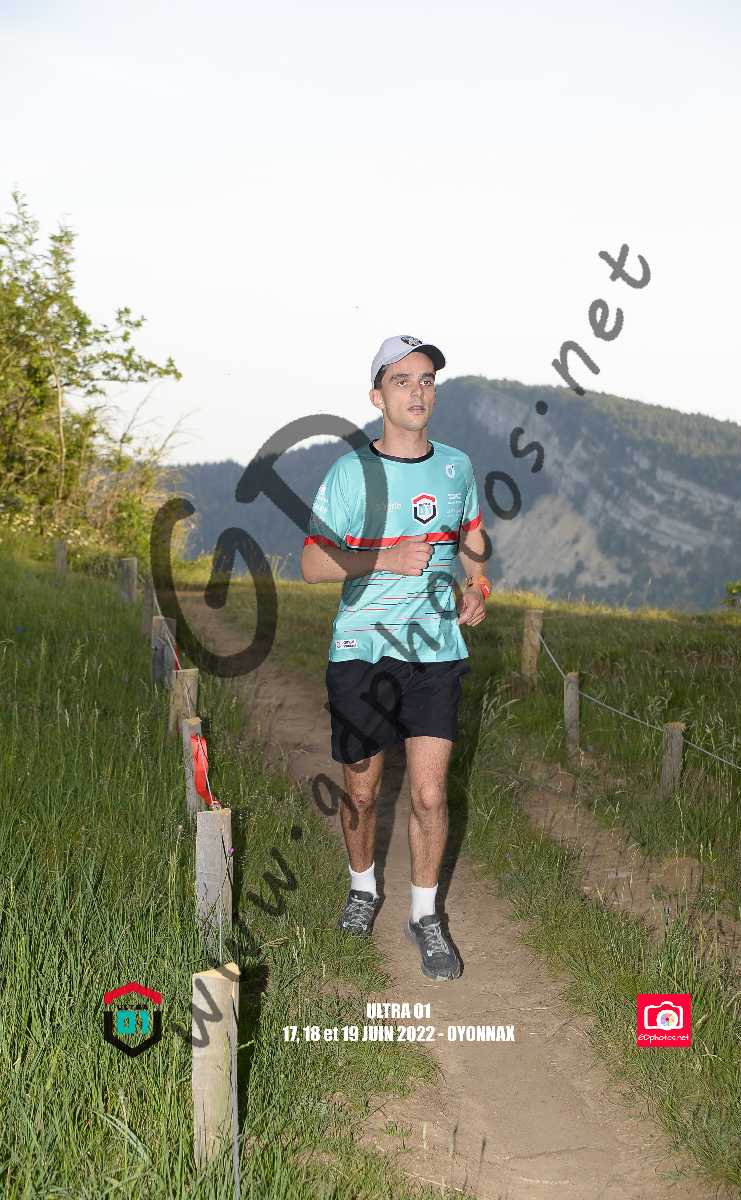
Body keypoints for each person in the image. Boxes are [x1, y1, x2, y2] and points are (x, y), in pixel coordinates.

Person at [300, 335, 490, 980]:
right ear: (377, 396)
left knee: (430, 794)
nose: (418, 391)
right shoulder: (350, 473)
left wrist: (477, 584)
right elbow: (311, 564)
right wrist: (385, 557)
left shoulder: (457, 466)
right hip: (363, 647)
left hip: (436, 649)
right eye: (402, 380)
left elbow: (471, 534)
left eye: (428, 379)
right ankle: (362, 889)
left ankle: (425, 915)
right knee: (361, 789)